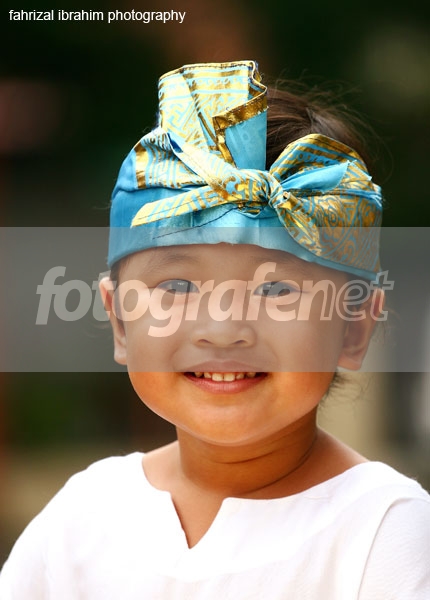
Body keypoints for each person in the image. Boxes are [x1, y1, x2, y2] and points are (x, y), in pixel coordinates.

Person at [1, 60, 429, 599]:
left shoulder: (385, 533)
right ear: (120, 322)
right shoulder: (80, 522)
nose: (223, 329)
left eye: (276, 290)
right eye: (178, 286)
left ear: (353, 329)